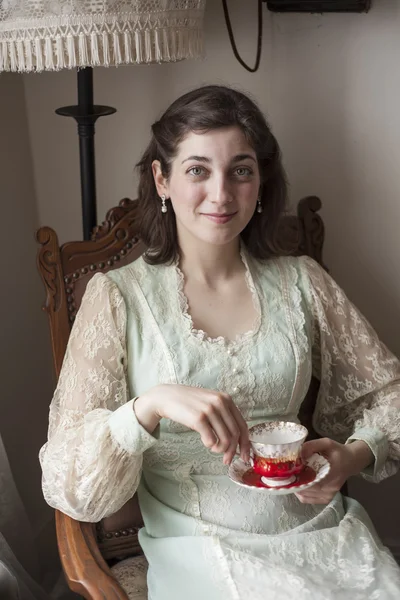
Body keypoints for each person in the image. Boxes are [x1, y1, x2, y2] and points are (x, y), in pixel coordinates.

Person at [40, 85, 400, 600]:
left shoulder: (303, 281)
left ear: (260, 181)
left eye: (241, 169)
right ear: (162, 179)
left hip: (323, 535)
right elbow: (70, 482)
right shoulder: (117, 296)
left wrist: (357, 455)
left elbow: (390, 395)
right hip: (202, 549)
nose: (222, 194)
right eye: (197, 170)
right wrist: (150, 405)